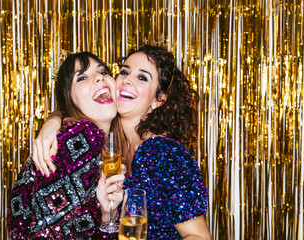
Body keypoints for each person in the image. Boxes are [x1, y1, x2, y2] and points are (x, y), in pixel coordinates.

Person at [34, 45, 211, 239]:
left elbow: (199, 236)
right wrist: (53, 120)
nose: (127, 80)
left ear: (159, 99)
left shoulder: (163, 153)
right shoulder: (106, 146)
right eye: (124, 72)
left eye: (142, 77)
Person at [8, 52, 125, 239]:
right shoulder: (82, 136)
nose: (99, 77)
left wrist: (106, 215)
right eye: (83, 77)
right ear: (69, 99)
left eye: (103, 71)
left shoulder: (90, 142)